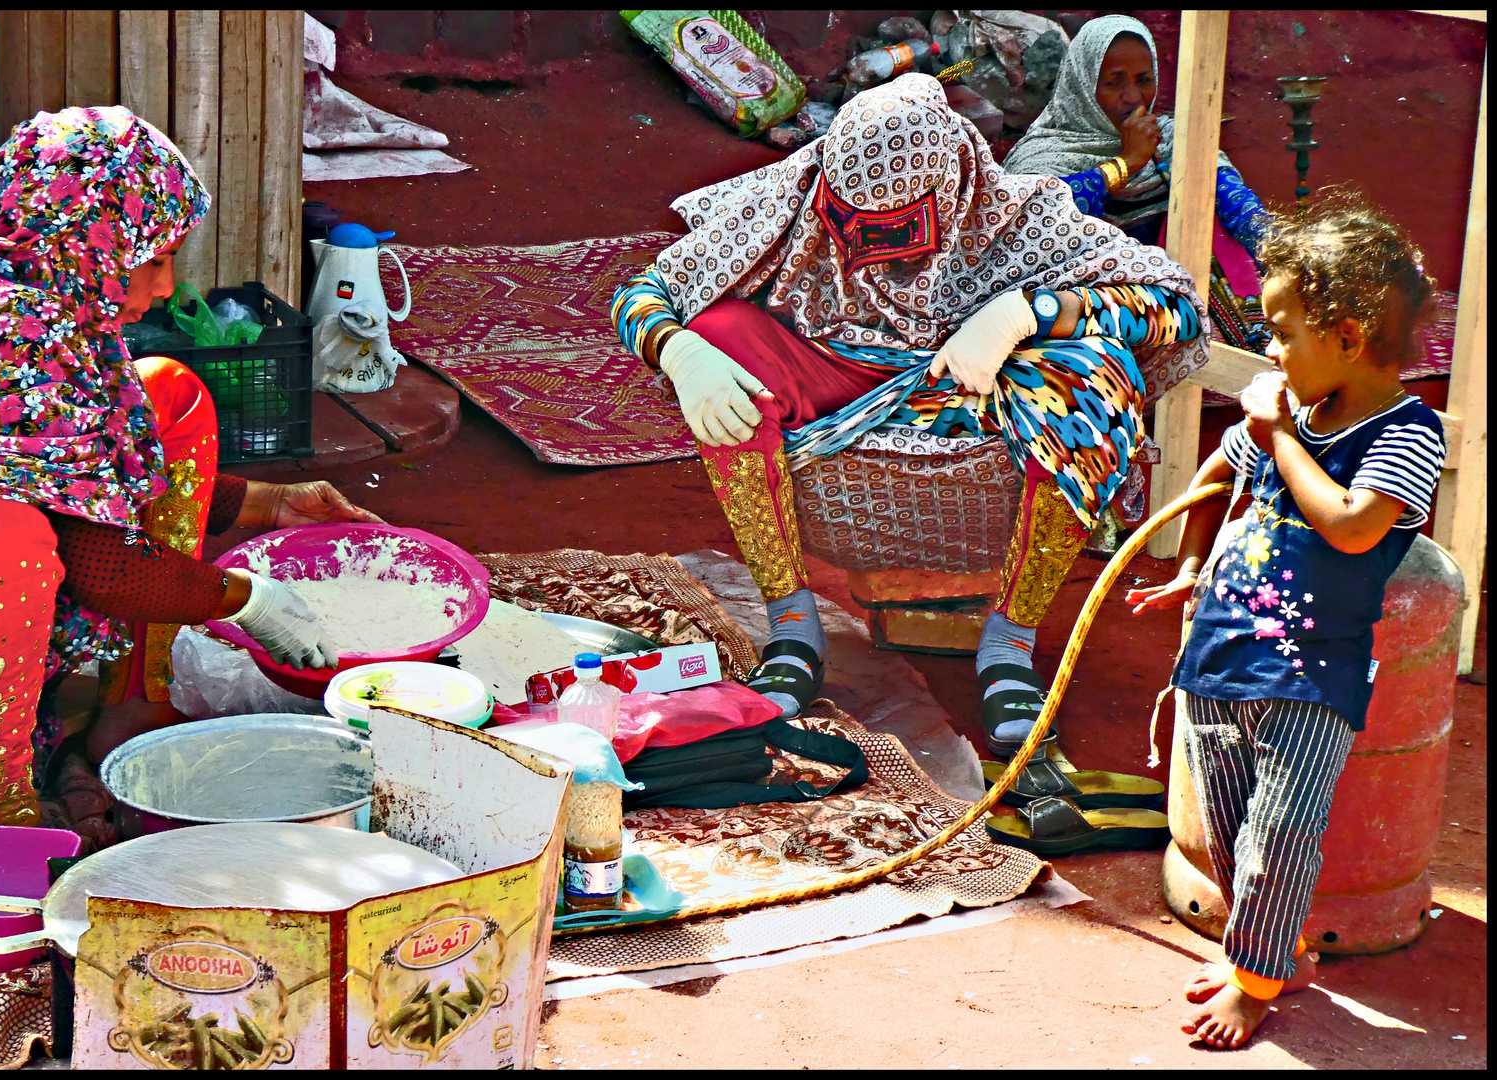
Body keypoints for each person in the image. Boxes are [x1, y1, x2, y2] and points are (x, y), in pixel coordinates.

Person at [611, 73, 1208, 761]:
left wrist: (1026, 313)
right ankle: (791, 624)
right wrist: (678, 349)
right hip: (829, 376)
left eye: (893, 227)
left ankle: (1009, 641)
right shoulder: (790, 192)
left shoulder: (1016, 216)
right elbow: (646, 290)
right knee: (716, 331)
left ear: (948, 193)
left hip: (963, 392)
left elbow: (1174, 307)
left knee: (1091, 371)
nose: (861, 243)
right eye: (844, 216)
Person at [0, 106, 363, 832]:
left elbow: (77, 469)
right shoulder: (5, 327)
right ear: (89, 244)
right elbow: (96, 562)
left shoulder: (18, 278)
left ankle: (131, 699)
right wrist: (248, 601)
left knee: (165, 390)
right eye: (155, 259)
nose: (168, 287)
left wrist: (261, 504)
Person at [1125, 193, 1444, 1048]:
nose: (1268, 351)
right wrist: (1189, 569)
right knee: (1230, 832)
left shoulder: (1406, 434)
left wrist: (1277, 440)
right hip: (1221, 655)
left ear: (1344, 334)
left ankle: (1257, 980)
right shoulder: (1289, 419)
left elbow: (1350, 526)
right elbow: (1210, 483)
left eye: (1281, 331)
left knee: (1280, 834)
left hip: (1310, 677)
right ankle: (1266, 948)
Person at [1002, 14, 1272, 351]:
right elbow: (1033, 223)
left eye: (1144, 79)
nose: (1133, 96)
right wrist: (1125, 165)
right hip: (1089, 333)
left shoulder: (1175, 139)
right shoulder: (1042, 156)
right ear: (1083, 86)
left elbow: (1237, 206)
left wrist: (1286, 253)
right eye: (1114, 82)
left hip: (1189, 323)